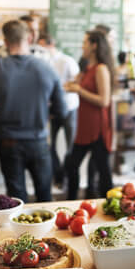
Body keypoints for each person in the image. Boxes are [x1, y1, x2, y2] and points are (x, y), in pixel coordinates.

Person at [0, 20, 66, 203]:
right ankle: (49, 232)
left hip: (9, 142)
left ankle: (20, 232)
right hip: (39, 140)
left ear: (5, 42)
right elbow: (61, 110)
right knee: (45, 195)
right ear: (30, 38)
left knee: (16, 198)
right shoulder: (47, 69)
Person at [65, 30, 115, 200]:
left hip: (97, 127)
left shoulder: (101, 69)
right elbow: (75, 84)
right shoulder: (87, 68)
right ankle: (71, 202)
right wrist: (71, 86)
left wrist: (79, 90)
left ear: (94, 46)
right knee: (72, 166)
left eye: (85, 42)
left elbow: (104, 100)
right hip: (85, 126)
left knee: (103, 172)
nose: (82, 46)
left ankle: (110, 207)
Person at [38, 34, 80, 188]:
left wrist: (59, 87)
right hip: (52, 109)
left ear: (51, 45)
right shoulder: (43, 62)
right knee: (50, 146)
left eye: (42, 46)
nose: (40, 50)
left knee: (71, 147)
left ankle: (65, 177)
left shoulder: (67, 60)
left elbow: (76, 83)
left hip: (69, 107)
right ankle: (58, 175)